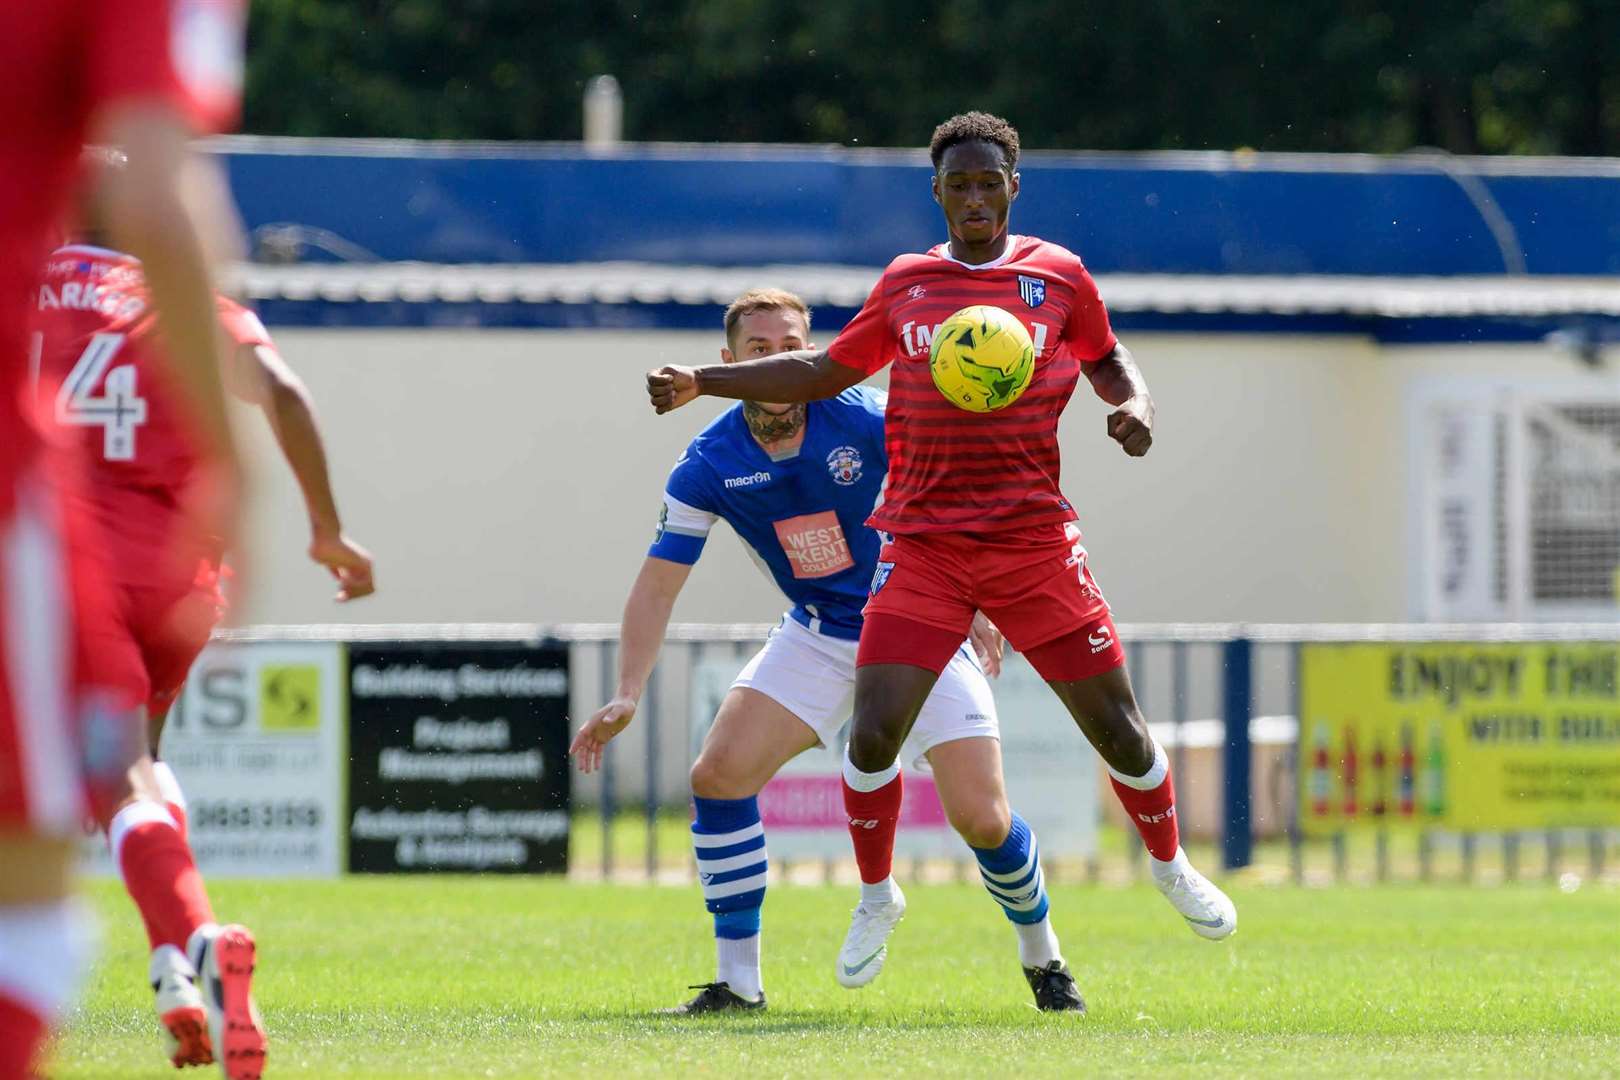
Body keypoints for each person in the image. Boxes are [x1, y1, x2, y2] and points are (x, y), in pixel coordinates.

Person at [645, 113, 1237, 999]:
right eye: (956, 185)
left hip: (1032, 541)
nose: (972, 199)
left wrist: (1138, 404)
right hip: (920, 543)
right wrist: (705, 381)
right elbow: (818, 372)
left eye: (986, 183)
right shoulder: (909, 283)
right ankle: (877, 896)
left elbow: (1108, 362)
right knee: (875, 731)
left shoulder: (1059, 276)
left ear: (1012, 186)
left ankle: (1169, 864)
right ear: (937, 192)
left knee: (1114, 729)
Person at [574, 288, 1085, 1014]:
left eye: (793, 348)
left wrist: (977, 599)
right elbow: (656, 587)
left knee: (983, 819)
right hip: (819, 632)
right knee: (718, 776)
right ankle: (737, 986)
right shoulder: (708, 464)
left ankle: (1046, 959)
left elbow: (966, 495)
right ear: (729, 364)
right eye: (760, 351)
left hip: (918, 624)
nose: (779, 362)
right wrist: (627, 691)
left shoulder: (871, 419)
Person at [33, 161, 375, 1071]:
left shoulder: (32, 284)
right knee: (137, 765)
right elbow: (289, 395)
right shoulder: (191, 299)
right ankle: (174, 973)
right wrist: (328, 533)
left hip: (74, 565)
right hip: (181, 574)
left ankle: (190, 945)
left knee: (109, 783)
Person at [0, 3, 251, 1076]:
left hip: (72, 550)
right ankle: (184, 945)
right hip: (107, 562)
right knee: (89, 826)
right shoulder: (135, 282)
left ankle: (181, 957)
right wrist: (249, 480)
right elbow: (165, 193)